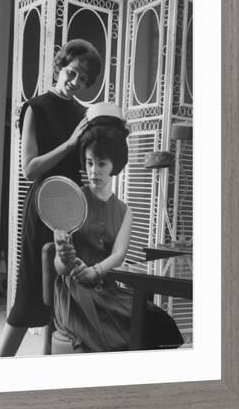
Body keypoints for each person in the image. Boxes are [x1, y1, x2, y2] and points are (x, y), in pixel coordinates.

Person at [0, 39, 103, 356]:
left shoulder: (85, 114)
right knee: (31, 291)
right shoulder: (36, 107)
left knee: (63, 289)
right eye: (71, 73)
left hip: (74, 209)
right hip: (43, 204)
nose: (75, 84)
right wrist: (71, 143)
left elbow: (92, 163)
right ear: (60, 66)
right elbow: (29, 168)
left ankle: (48, 363)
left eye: (83, 80)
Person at [53, 106, 184, 353]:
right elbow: (58, 268)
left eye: (101, 164)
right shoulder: (70, 201)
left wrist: (96, 272)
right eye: (90, 163)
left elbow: (119, 255)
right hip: (74, 291)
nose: (93, 171)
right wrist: (63, 256)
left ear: (114, 165)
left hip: (106, 286)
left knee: (157, 321)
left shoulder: (125, 211)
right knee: (119, 334)